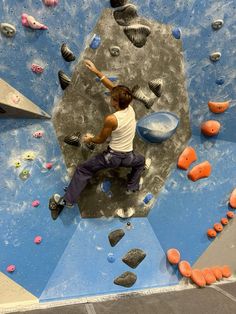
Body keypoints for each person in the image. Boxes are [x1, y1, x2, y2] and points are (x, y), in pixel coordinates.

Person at [49, 60, 147, 220]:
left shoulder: (112, 119)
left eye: (112, 98)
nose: (110, 96)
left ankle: (68, 200)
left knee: (83, 170)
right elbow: (113, 88)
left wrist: (89, 138)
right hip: (129, 157)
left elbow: (101, 139)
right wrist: (96, 71)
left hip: (112, 158)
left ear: (115, 102)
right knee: (140, 161)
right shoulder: (130, 108)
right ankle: (132, 186)